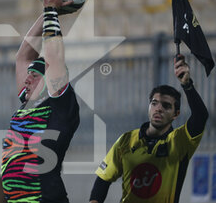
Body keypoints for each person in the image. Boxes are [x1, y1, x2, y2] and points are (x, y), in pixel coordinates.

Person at [1, 0, 80, 203]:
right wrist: (47, 12)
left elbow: (54, 56)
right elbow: (23, 56)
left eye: (34, 76)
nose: (26, 81)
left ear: (51, 80)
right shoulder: (28, 102)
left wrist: (51, 11)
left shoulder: (59, 102)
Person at [89, 55, 209, 203]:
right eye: (154, 103)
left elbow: (201, 116)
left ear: (176, 114)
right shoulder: (126, 140)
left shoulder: (180, 141)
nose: (158, 109)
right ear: (149, 106)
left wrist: (187, 84)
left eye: (166, 106)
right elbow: (103, 178)